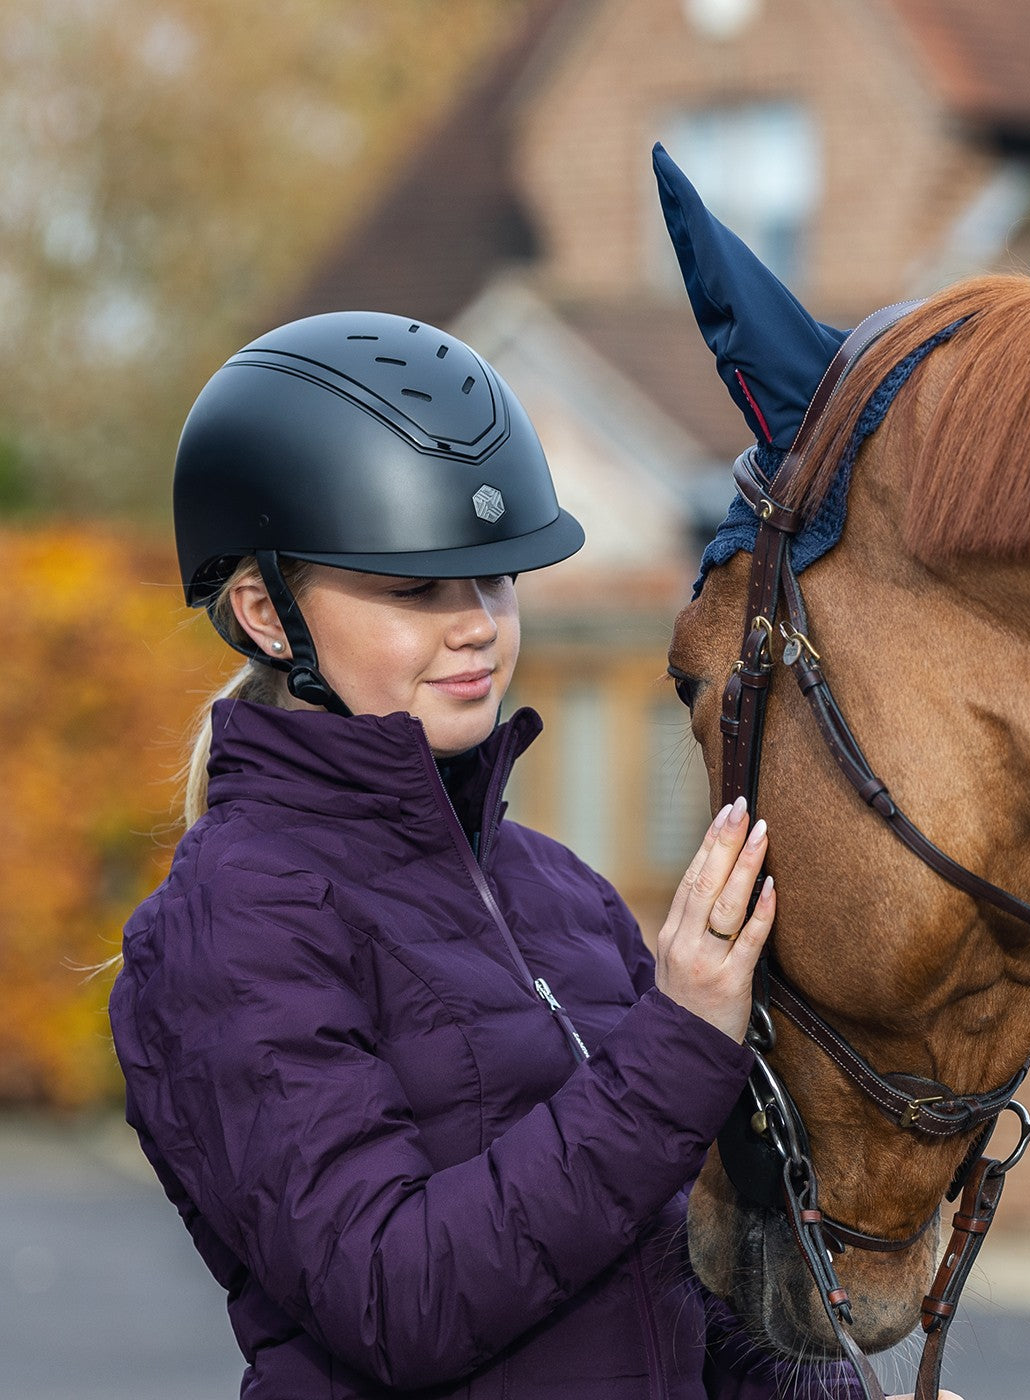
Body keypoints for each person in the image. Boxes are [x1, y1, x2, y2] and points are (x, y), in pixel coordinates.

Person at [110, 311, 882, 1399]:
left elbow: (680, 1277)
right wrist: (675, 1043)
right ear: (264, 611)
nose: (475, 624)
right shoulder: (230, 925)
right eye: (415, 587)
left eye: (494, 578)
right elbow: (393, 1296)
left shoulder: (559, 889)